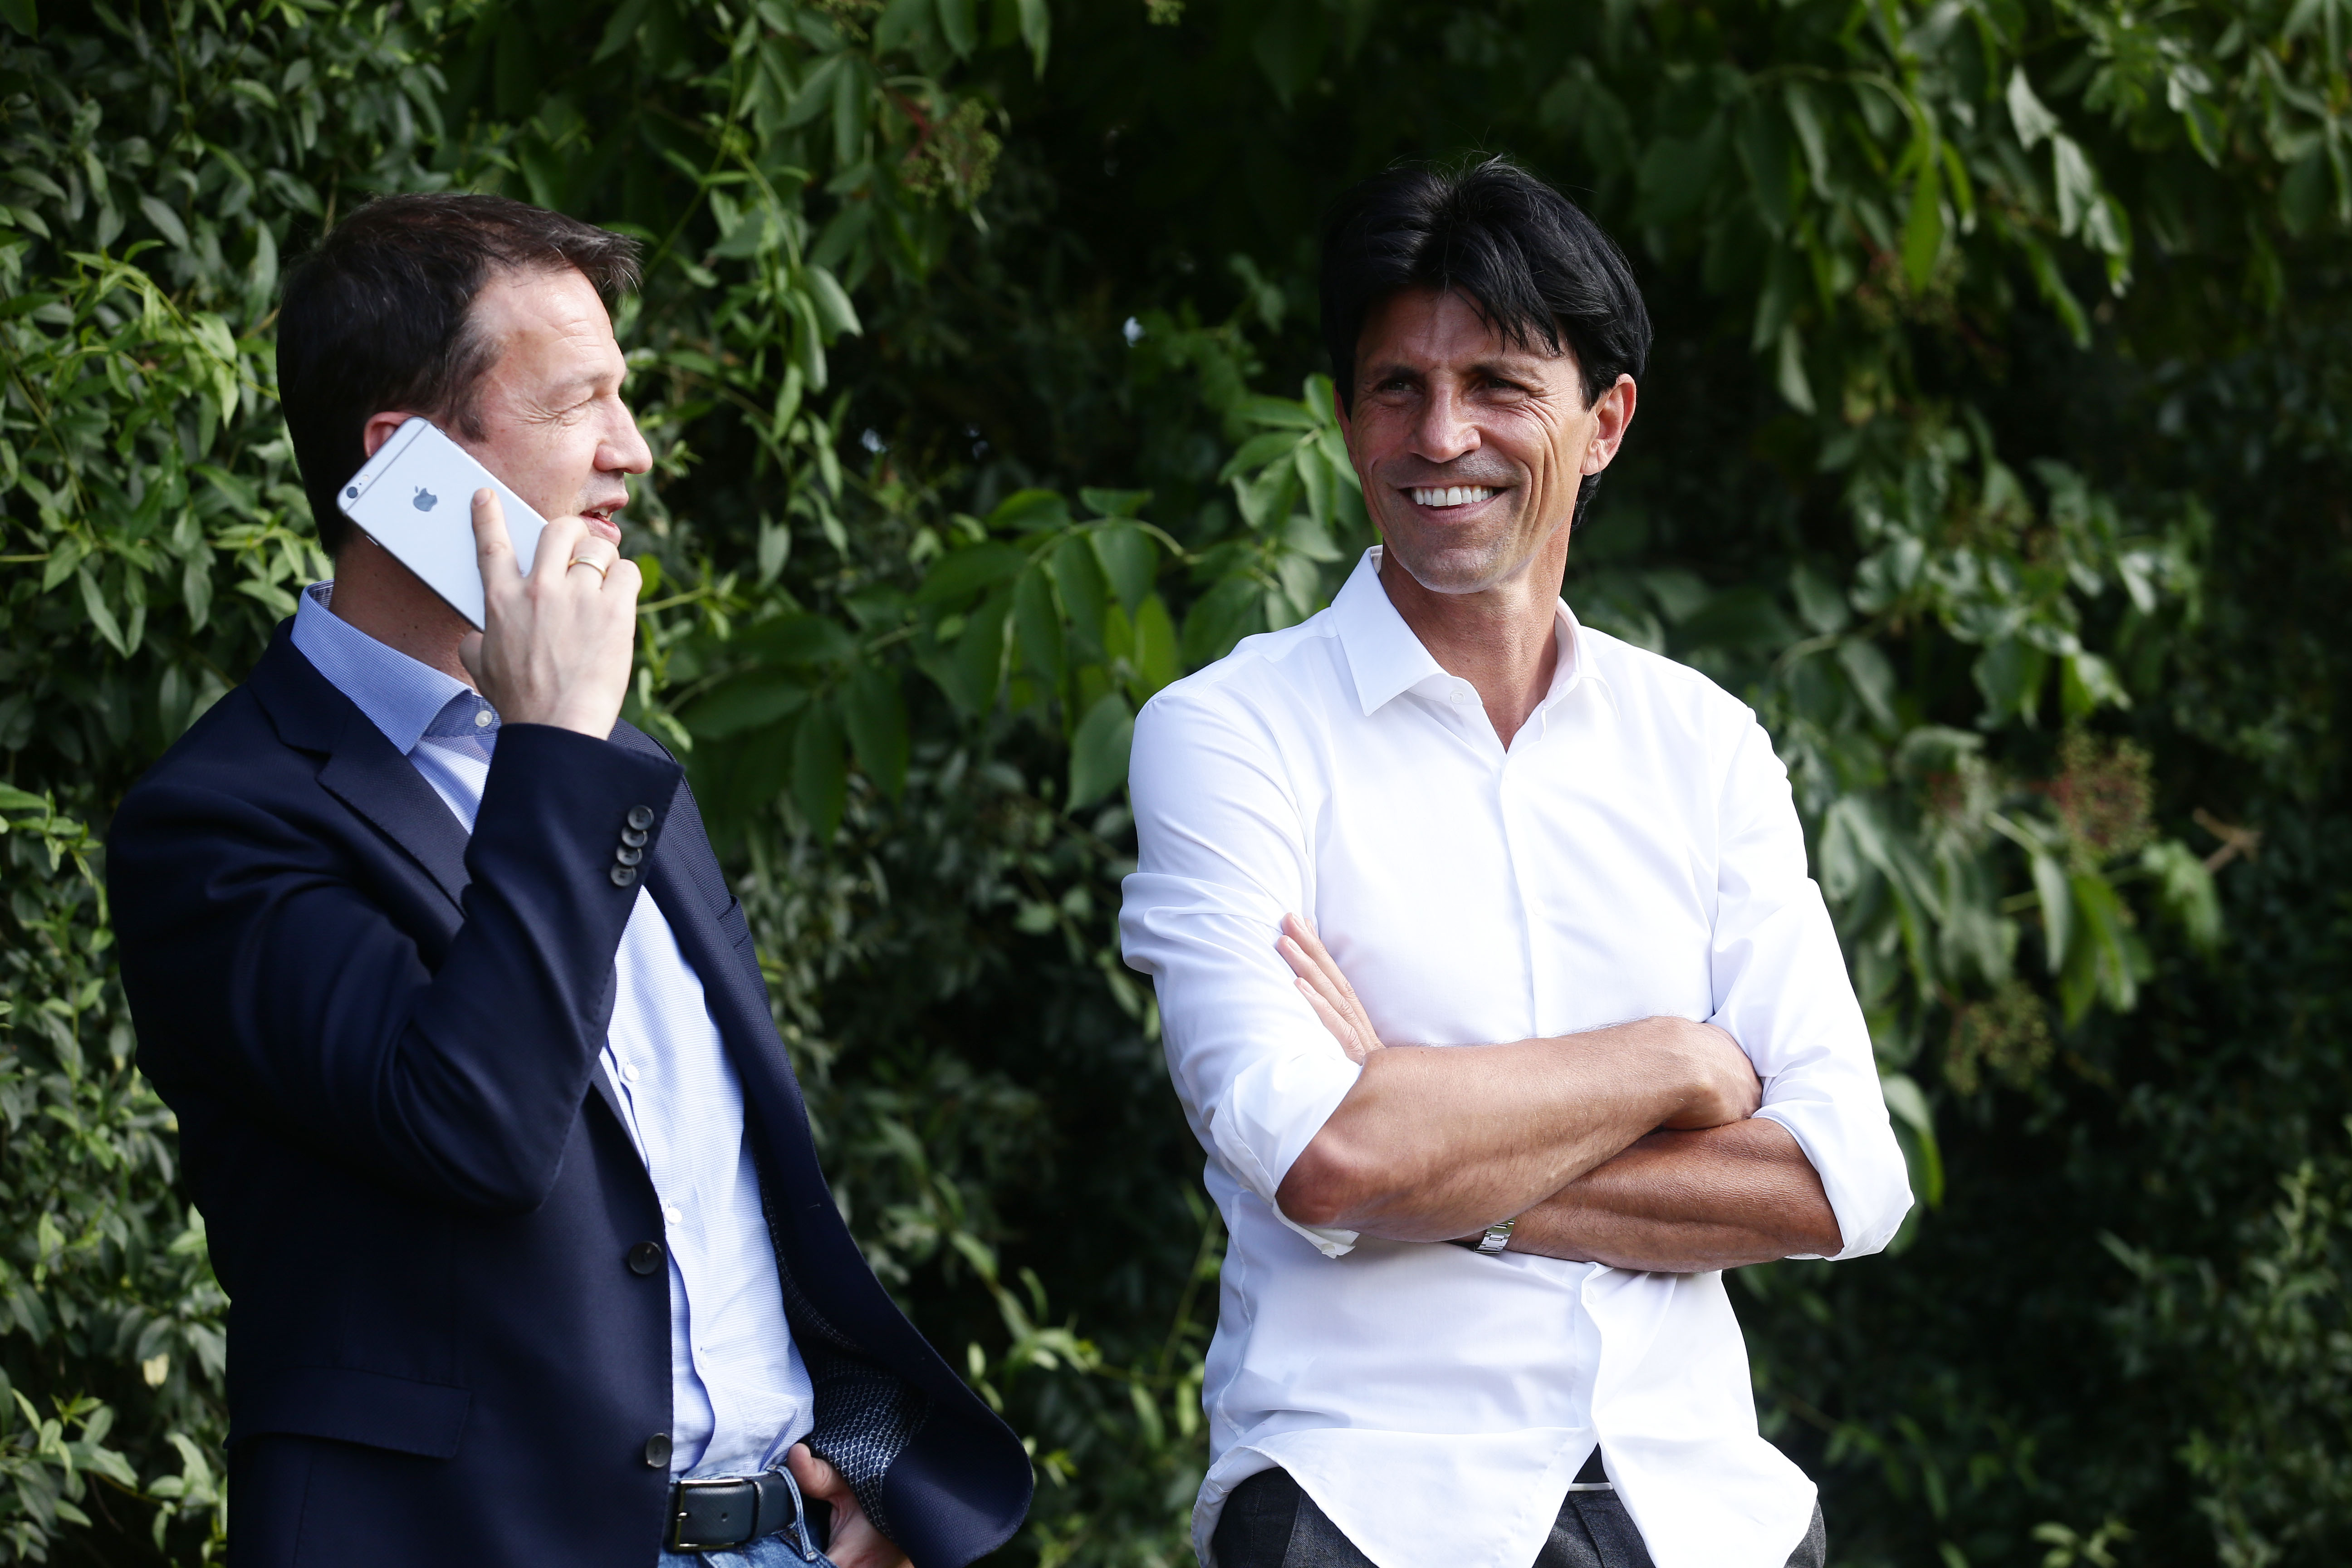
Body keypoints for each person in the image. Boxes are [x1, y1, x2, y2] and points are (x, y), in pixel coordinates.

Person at [108, 193, 1031, 1568]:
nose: (631, 449)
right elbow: (475, 1126)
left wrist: (864, 1448)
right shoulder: (221, 822)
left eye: (624, 395)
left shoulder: (615, 764)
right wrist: (550, 754)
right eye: (575, 403)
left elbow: (715, 1189)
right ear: (407, 469)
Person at [1118, 157, 1913, 1568]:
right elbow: (1328, 1157)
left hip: (1704, 1515)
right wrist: (1674, 1064)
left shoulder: (1704, 743)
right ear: (1347, 418)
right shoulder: (1229, 736)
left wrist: (1436, 1153)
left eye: (1497, 383)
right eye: (1396, 387)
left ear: (1604, 423)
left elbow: (1842, 1180)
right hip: (1367, 1506)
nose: (1442, 435)